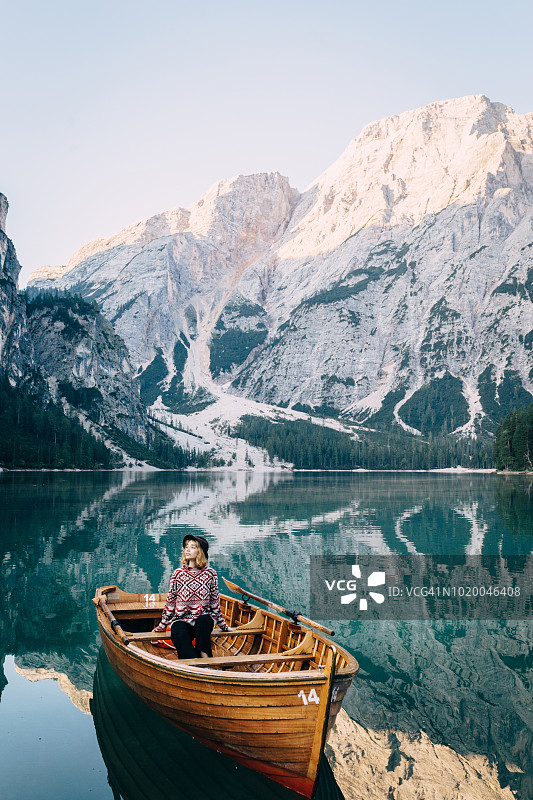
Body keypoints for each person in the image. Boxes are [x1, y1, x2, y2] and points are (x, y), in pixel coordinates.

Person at [153, 534, 231, 658]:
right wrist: (162, 625)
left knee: (203, 620)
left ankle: (205, 657)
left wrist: (223, 625)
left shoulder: (210, 574)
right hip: (182, 619)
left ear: (200, 552)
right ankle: (194, 662)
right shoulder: (178, 574)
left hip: (204, 618)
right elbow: (170, 602)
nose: (187, 550)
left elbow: (215, 603)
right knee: (178, 632)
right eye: (186, 547)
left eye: (193, 547)